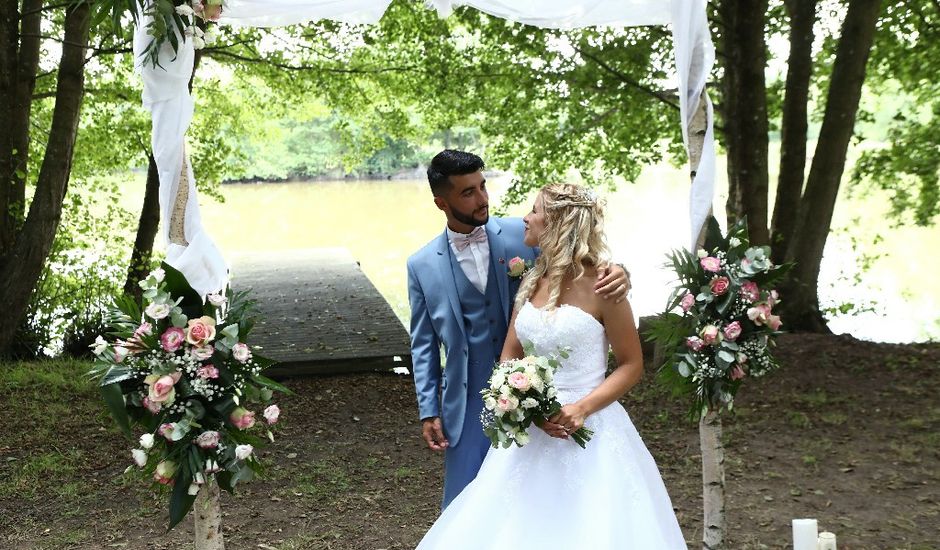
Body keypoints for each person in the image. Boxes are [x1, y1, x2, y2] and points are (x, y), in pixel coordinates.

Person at [415, 183, 687, 549]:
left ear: (558, 222)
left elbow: (631, 364)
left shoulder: (605, 285)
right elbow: (509, 355)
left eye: (534, 210)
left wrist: (582, 408)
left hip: (592, 425)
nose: (524, 217)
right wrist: (529, 405)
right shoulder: (530, 281)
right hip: (533, 429)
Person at [407, 151, 630, 509]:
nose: (482, 199)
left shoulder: (524, 231)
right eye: (468, 193)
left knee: (532, 502)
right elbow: (423, 345)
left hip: (538, 395)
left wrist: (619, 273)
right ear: (441, 202)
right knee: (465, 505)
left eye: (482, 187)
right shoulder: (420, 265)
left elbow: (583, 256)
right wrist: (429, 409)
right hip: (464, 404)